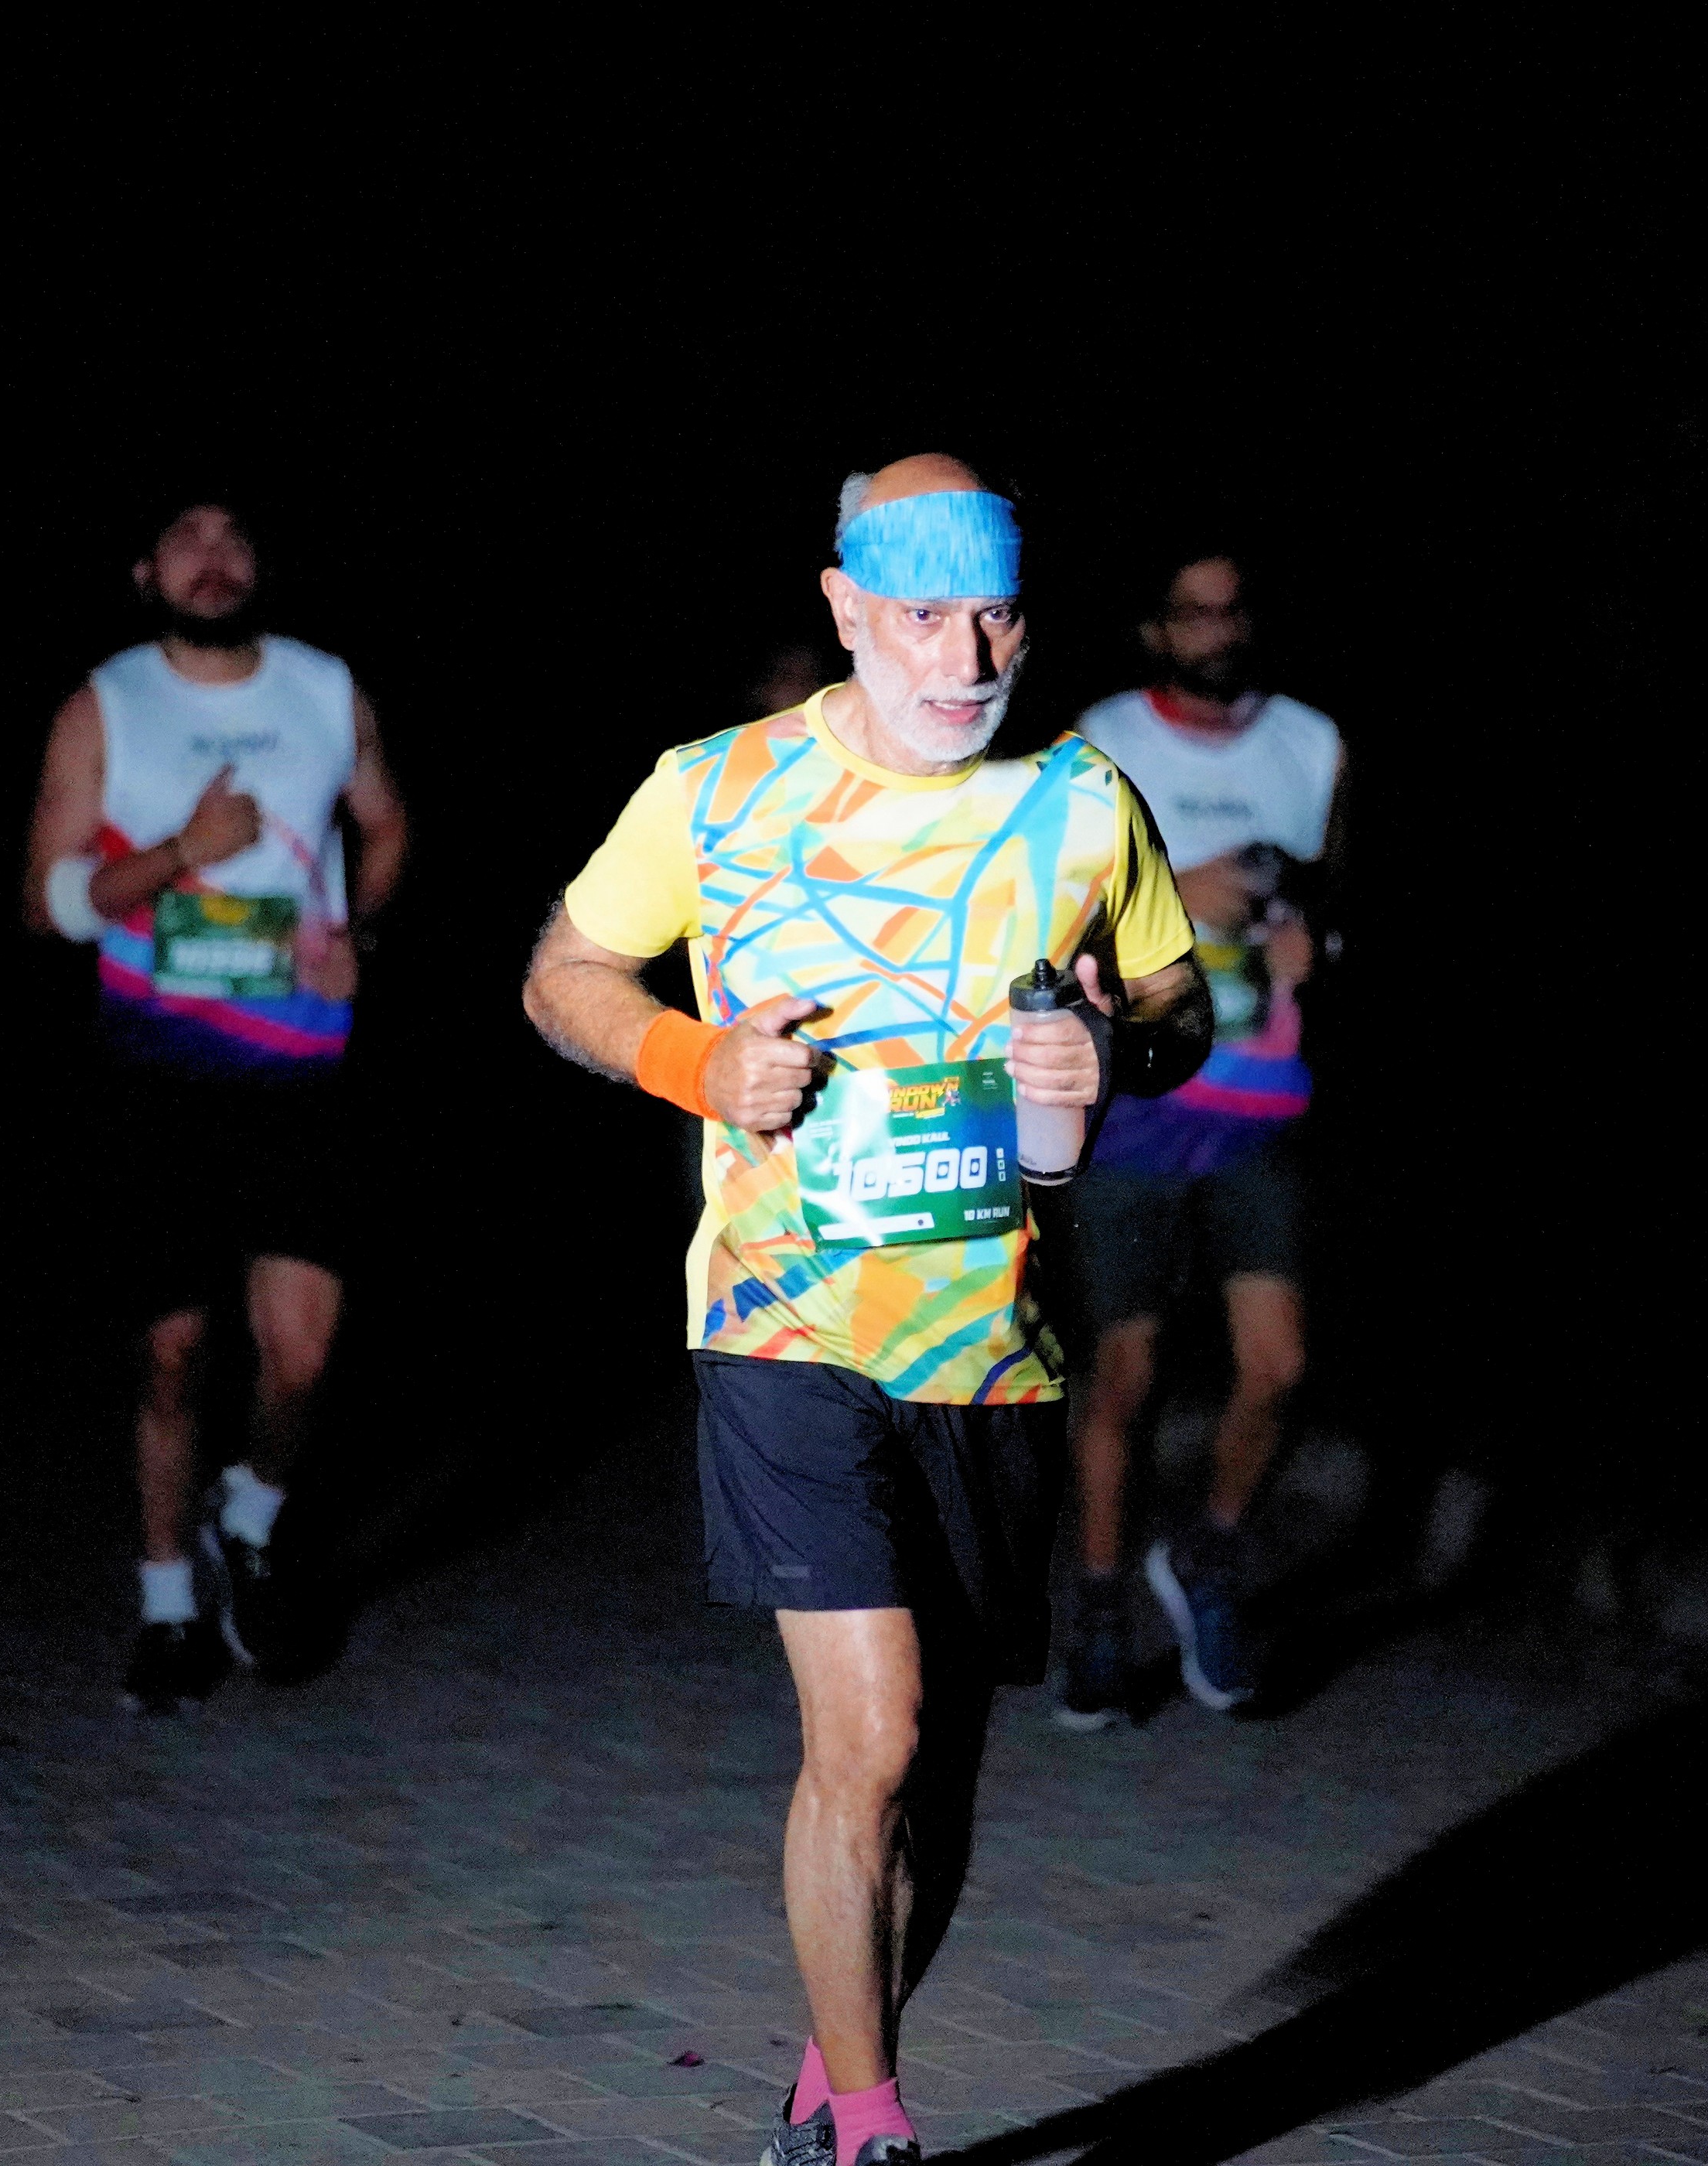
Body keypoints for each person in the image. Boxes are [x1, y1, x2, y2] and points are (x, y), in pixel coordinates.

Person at [522, 456, 1208, 2166]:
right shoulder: (717, 788)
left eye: (996, 616)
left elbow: (1180, 1002)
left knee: (938, 1780)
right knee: (875, 1729)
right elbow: (561, 976)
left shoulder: (1084, 802)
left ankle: (833, 2079)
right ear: (843, 607)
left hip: (991, 1346)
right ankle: (876, 2131)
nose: (966, 658)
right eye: (922, 616)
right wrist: (692, 1059)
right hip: (782, 1331)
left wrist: (1115, 1050)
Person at [21, 501, 411, 1712]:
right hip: (158, 1075)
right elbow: (47, 903)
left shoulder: (325, 689)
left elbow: (385, 823)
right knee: (173, 1354)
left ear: (261, 564)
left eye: (233, 536)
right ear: (147, 570)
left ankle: (246, 1515)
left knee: (304, 1356)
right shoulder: (104, 704)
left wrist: (357, 934)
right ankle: (166, 1610)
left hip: (300, 1069)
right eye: (186, 539)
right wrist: (182, 852)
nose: (213, 558)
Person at [1054, 551, 1346, 1727]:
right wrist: (1175, 888)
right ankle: (1099, 1615)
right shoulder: (1106, 739)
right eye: (1195, 614)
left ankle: (1207, 1561)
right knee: (1123, 1376)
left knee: (1279, 1366)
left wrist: (1322, 947)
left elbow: (1337, 903)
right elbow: (1055, 912)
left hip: (1264, 1102)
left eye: (1236, 611)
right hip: (1136, 1101)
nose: (1219, 631)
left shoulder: (1312, 745)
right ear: (1156, 631)